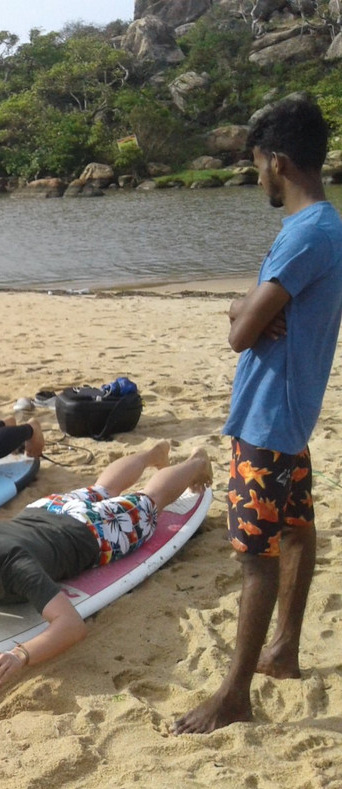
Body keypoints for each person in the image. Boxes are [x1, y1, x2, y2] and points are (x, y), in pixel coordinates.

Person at [173, 96, 342, 735]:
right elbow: (250, 314)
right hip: (290, 412)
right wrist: (249, 311)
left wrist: (246, 315)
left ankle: (234, 695)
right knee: (295, 527)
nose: (258, 177)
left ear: (280, 162)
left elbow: (240, 333)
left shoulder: (305, 234)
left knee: (254, 555)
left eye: (259, 165)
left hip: (266, 417)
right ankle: (285, 651)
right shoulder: (325, 226)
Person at [0, 442, 212, 686]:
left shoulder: (15, 568)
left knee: (149, 500)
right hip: (47, 510)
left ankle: (197, 463)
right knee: (102, 488)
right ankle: (151, 454)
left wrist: (20, 655)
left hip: (93, 532)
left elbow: (71, 626)